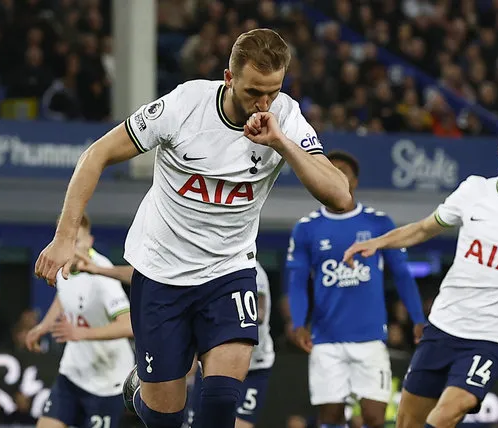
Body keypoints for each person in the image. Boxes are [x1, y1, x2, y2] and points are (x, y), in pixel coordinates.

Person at [33, 27, 351, 428]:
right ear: (229, 78)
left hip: (228, 272)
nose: (263, 103)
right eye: (254, 91)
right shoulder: (183, 106)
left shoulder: (285, 117)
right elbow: (95, 156)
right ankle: (139, 394)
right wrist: (64, 238)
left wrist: (281, 142)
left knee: (219, 406)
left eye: (273, 90)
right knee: (166, 420)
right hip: (161, 274)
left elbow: (340, 196)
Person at [343, 113, 498, 428]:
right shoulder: (474, 191)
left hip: (491, 336)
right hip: (443, 325)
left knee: (445, 414)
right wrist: (378, 243)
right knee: (407, 421)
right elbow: (424, 229)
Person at [286, 150, 426, 428]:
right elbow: (297, 281)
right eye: (331, 171)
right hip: (326, 340)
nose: (337, 177)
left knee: (375, 418)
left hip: (370, 338)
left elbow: (401, 275)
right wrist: (299, 322)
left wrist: (418, 318)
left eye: (344, 172)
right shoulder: (306, 228)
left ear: (355, 181)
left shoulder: (378, 223)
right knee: (330, 417)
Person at [75, 253, 275, 428]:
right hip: (213, 361)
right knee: (176, 418)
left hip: (255, 364)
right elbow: (148, 275)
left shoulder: (245, 270)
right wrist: (100, 270)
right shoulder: (187, 260)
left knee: (229, 417)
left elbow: (258, 314)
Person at [25, 213, 134, 428]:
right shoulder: (60, 264)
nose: (71, 248)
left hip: (106, 381)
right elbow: (64, 295)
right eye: (66, 239)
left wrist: (80, 333)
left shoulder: (102, 277)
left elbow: (129, 325)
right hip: (73, 373)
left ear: (89, 242)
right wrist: (44, 326)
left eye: (77, 241)